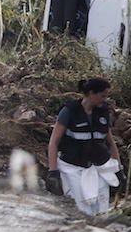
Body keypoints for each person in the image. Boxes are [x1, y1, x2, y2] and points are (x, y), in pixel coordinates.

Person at [46, 77, 125, 214]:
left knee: (101, 208)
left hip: (97, 167)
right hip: (72, 168)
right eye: (102, 96)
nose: (104, 100)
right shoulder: (69, 111)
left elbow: (110, 143)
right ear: (91, 93)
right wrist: (53, 172)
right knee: (80, 209)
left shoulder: (103, 113)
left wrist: (119, 169)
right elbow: (54, 142)